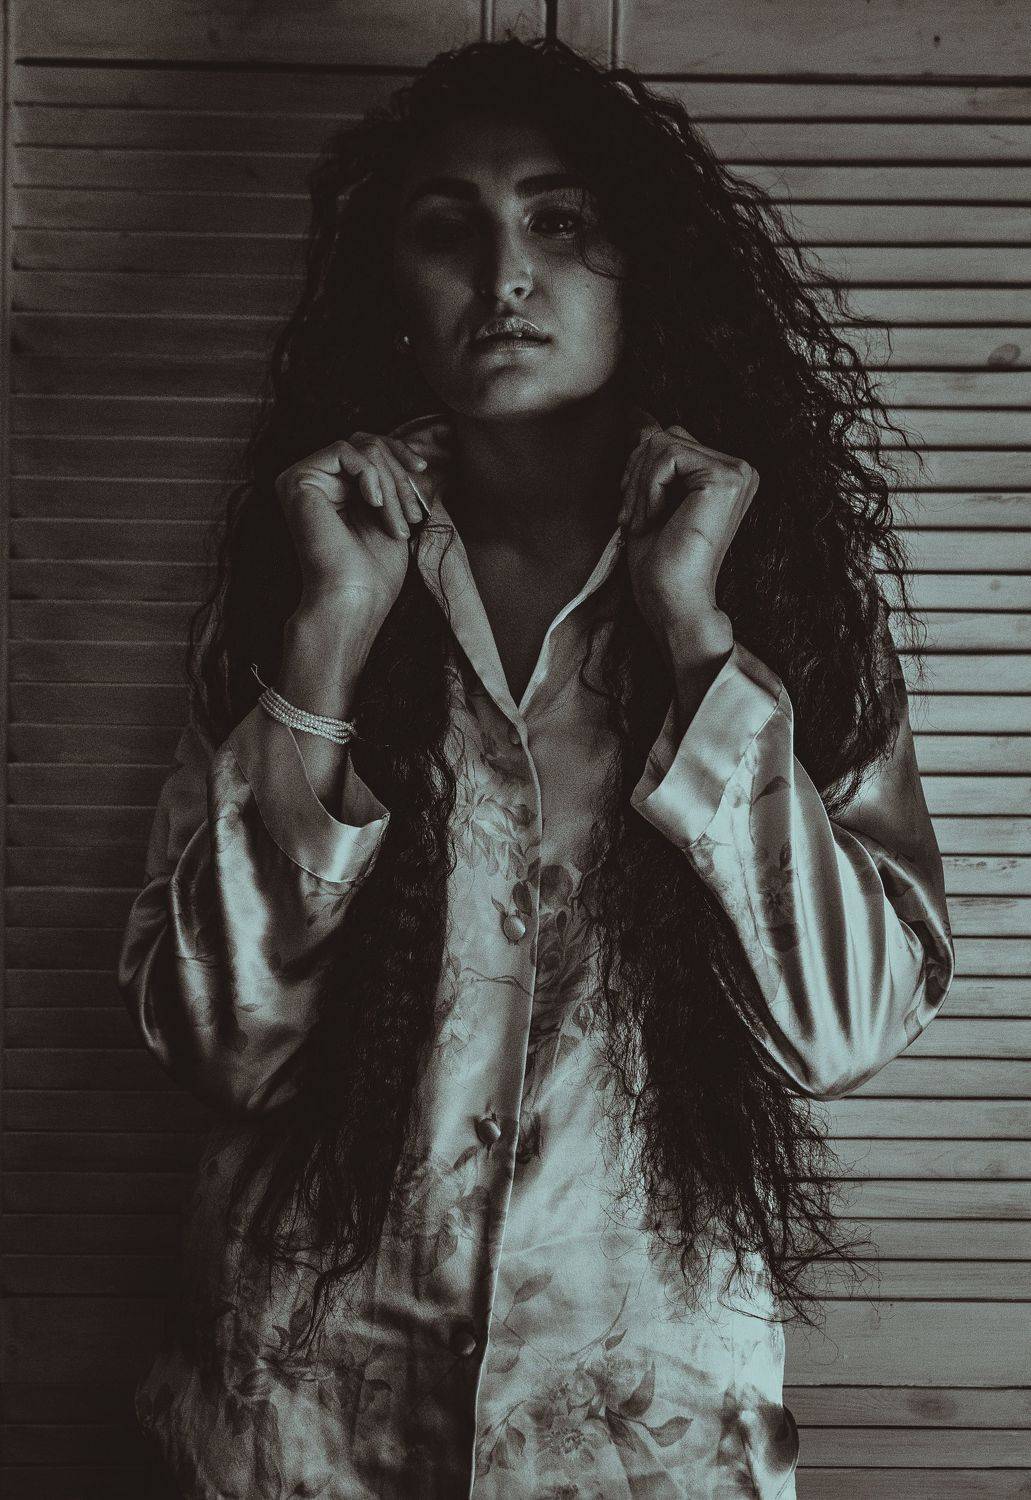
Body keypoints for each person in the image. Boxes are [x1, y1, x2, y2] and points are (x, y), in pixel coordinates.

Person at [117, 36, 955, 1500]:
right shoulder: (301, 582)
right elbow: (218, 1041)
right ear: (391, 289)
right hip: (303, 1421)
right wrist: (324, 652)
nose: (506, 275)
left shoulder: (789, 607)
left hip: (638, 1427)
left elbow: (844, 1027)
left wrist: (696, 641)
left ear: (645, 270)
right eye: (448, 231)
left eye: (559, 221)